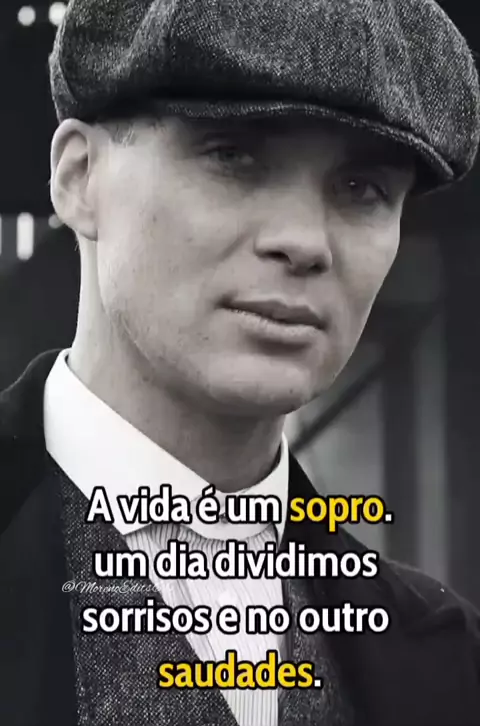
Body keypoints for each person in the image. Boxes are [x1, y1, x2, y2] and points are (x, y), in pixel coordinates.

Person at [1, 0, 480, 724]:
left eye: (363, 189)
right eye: (233, 156)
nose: (304, 242)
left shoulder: (447, 662)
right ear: (79, 176)